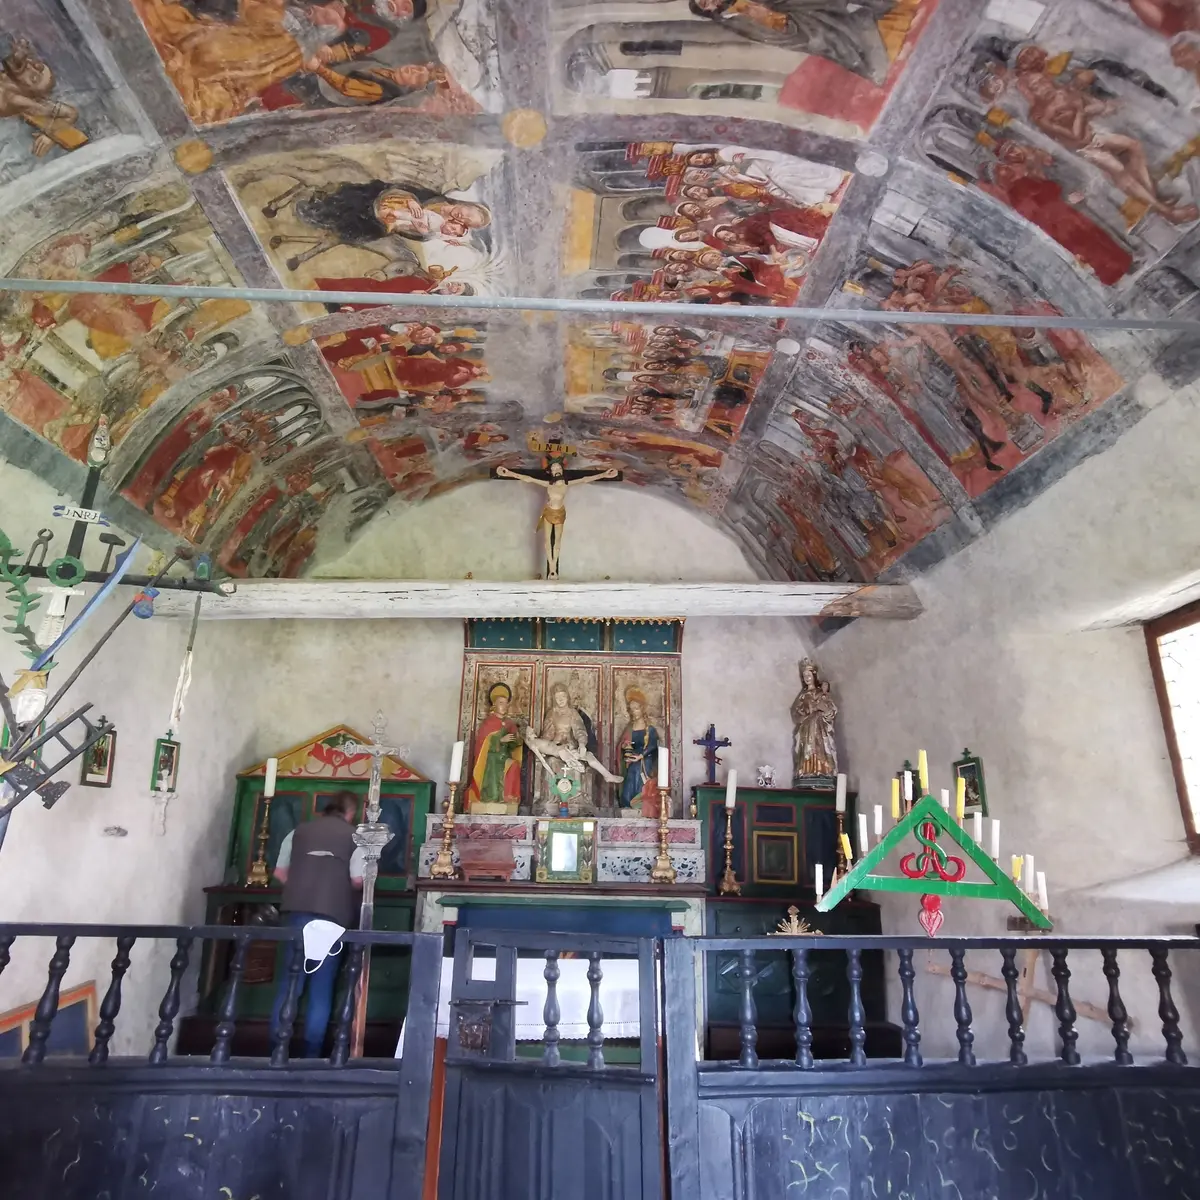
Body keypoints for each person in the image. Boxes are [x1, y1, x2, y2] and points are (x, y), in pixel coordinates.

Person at [270, 792, 365, 1058]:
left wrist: (302, 886)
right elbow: (358, 880)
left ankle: (276, 1050)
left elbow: (279, 872)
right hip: (331, 915)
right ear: (351, 813)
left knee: (290, 984)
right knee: (321, 988)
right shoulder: (354, 837)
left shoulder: (297, 832)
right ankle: (311, 1055)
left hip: (296, 912)